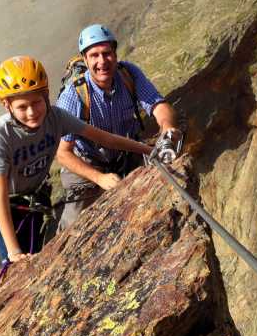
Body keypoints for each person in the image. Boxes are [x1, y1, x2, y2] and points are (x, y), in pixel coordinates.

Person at [0, 55, 152, 263]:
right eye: (22, 107)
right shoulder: (0, 136)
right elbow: (0, 199)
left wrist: (147, 150)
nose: (32, 112)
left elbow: (105, 138)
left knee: (36, 258)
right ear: (6, 105)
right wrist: (13, 252)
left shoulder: (56, 118)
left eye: (37, 102)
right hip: (10, 207)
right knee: (13, 263)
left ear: (46, 95)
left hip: (36, 201)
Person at [56, 24, 181, 231]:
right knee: (74, 227)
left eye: (106, 53)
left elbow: (158, 105)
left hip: (124, 153)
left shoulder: (128, 74)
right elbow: (63, 153)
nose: (101, 61)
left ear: (115, 54)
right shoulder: (74, 94)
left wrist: (167, 129)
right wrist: (99, 178)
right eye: (94, 55)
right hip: (86, 162)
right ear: (85, 60)